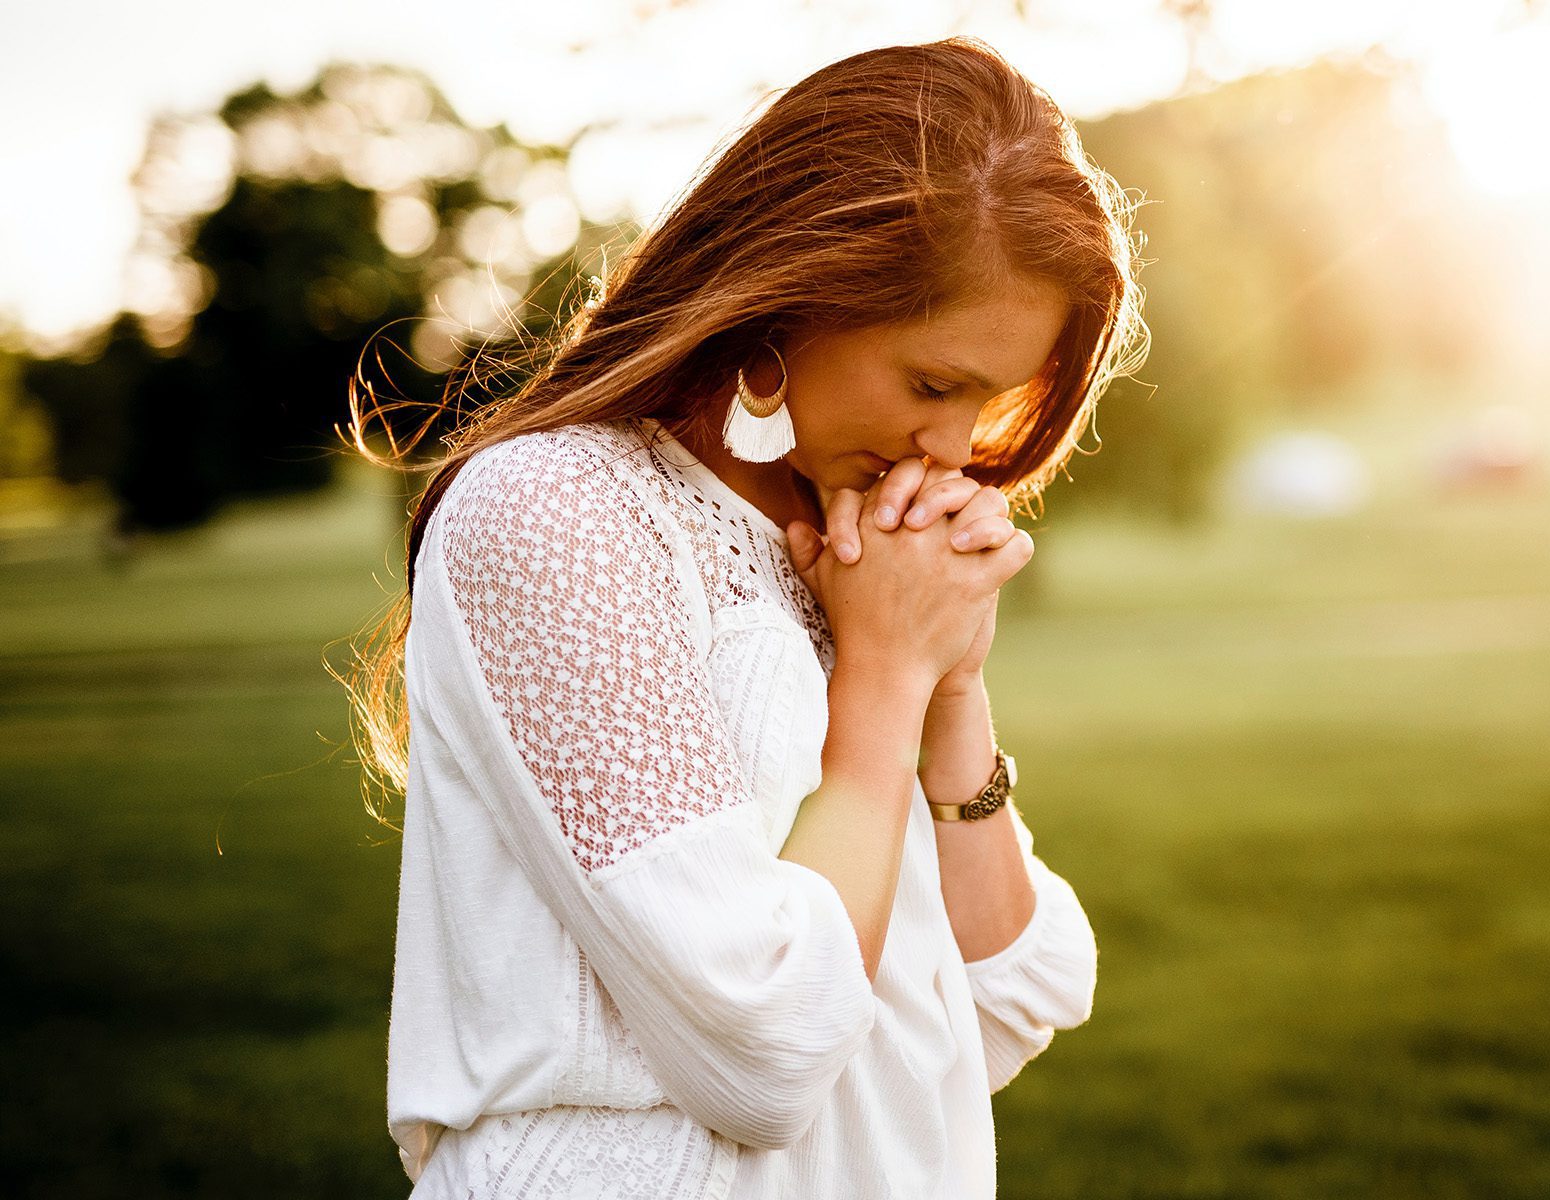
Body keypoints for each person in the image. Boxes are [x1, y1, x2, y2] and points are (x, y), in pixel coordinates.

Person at [343, 37, 1148, 1198]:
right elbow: (763, 1047)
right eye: (932, 384)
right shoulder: (561, 514)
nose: (956, 450)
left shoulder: (847, 542)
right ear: (793, 299)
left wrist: (948, 685)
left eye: (987, 398)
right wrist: (878, 688)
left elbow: (1003, 1002)